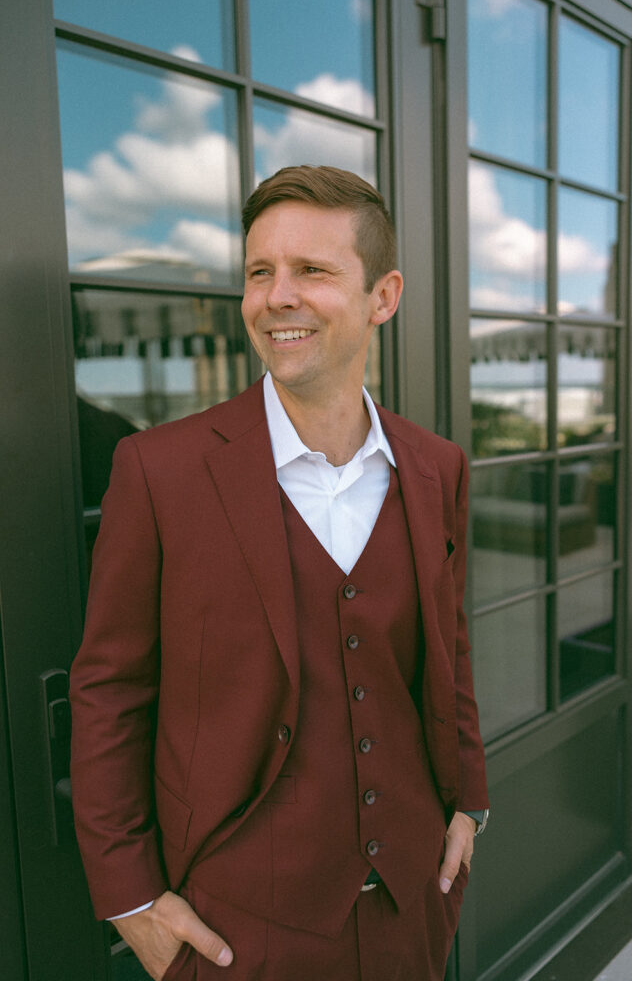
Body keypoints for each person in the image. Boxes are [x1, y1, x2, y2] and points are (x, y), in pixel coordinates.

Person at [69, 165, 489, 981]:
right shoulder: (160, 470)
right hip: (234, 928)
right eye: (260, 271)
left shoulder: (437, 469)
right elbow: (110, 689)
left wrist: (469, 800)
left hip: (412, 906)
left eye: (313, 271)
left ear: (383, 296)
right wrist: (131, 902)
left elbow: (450, 651)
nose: (276, 295)